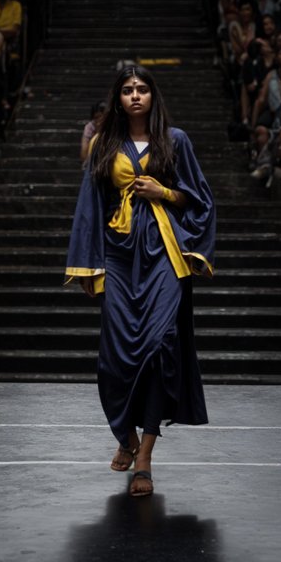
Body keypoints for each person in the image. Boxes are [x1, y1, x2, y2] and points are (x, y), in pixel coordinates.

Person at [65, 63, 215, 500]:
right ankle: (125, 436)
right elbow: (89, 207)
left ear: (153, 96)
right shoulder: (102, 145)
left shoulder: (176, 140)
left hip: (164, 251)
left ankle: (145, 458)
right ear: (118, 98)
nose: (135, 95)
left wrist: (164, 193)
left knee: (158, 347)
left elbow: (199, 197)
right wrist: (89, 264)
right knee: (115, 358)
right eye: (128, 89)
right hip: (118, 253)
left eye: (142, 89)